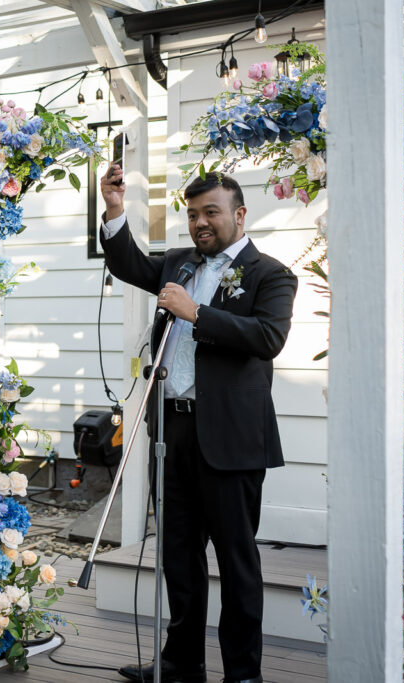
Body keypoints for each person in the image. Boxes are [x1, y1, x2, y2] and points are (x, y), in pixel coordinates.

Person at [101, 166, 297, 683]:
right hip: (173, 433)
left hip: (231, 439)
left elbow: (268, 337)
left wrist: (196, 314)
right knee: (179, 556)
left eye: (211, 212)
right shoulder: (180, 264)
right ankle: (181, 664)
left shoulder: (269, 273)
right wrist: (116, 211)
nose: (200, 223)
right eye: (192, 215)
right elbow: (130, 265)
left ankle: (243, 675)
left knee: (236, 563)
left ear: (239, 214)